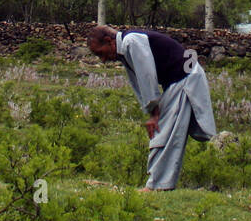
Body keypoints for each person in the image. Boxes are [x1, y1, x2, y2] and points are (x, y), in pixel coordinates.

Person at [86, 25, 217, 191]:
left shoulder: (131, 42)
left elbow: (147, 75)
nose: (103, 60)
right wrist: (151, 110)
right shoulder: (125, 48)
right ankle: (159, 183)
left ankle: (158, 186)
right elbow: (137, 82)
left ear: (108, 41)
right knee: (166, 130)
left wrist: (155, 112)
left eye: (100, 53)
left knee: (166, 132)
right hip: (180, 79)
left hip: (185, 77)